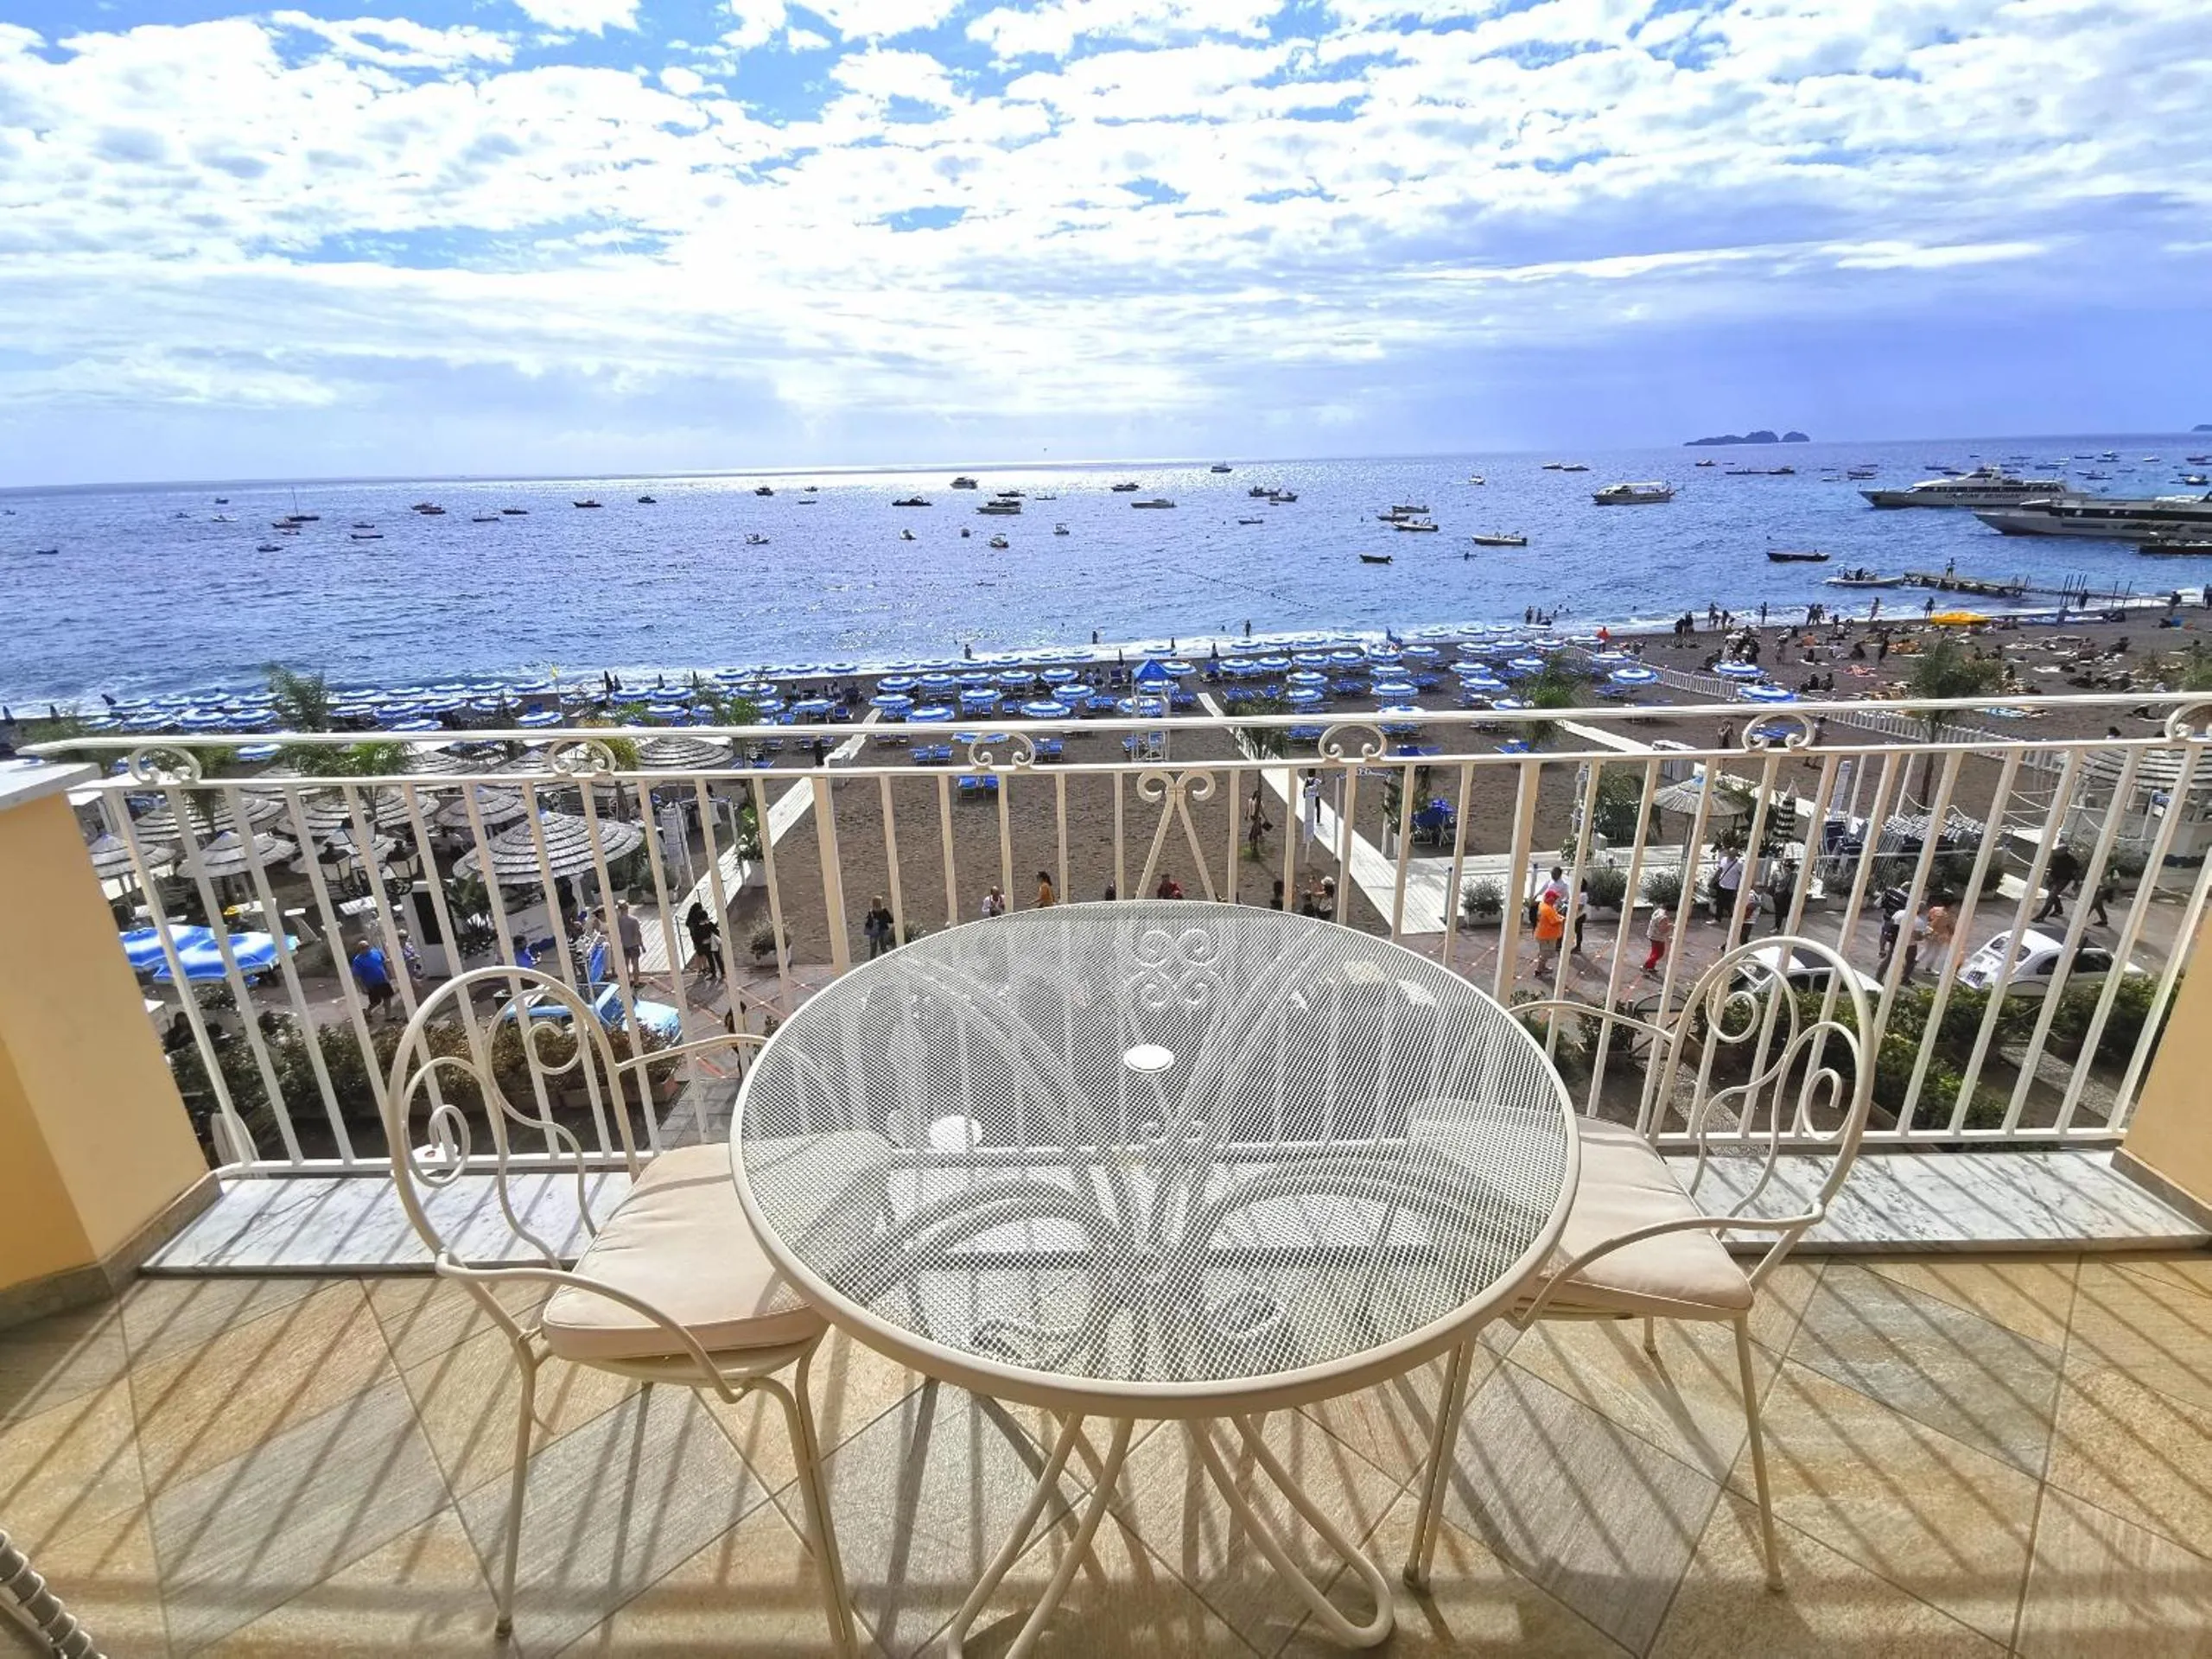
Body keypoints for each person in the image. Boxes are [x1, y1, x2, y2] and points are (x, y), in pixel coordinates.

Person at [350, 938, 396, 1021]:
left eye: (367, 946)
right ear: (359, 949)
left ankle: (388, 1016)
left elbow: (383, 962)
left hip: (383, 980)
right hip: (371, 984)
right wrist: (362, 987)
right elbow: (357, 976)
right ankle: (367, 1011)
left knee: (387, 997)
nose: (365, 949)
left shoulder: (376, 952)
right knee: (376, 1001)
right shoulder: (357, 960)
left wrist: (389, 973)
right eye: (363, 947)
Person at [2036, 845, 2083, 921]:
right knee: (2052, 895)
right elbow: (2052, 866)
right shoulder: (2055, 856)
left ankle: (2041, 916)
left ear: (2064, 852)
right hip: (2052, 877)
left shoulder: (2071, 860)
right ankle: (2059, 909)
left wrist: (2076, 883)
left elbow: (2076, 872)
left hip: (2063, 879)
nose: (2057, 852)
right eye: (2057, 850)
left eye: (2059, 851)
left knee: (2051, 897)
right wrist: (2049, 875)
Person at [684, 900, 723, 981]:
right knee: (717, 958)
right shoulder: (710, 924)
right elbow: (717, 931)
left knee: (709, 958)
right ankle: (722, 972)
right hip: (713, 943)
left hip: (704, 945)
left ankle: (711, 972)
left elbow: (697, 937)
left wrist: (701, 942)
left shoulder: (696, 927)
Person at [1531, 890, 1566, 976]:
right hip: (1547, 936)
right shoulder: (1547, 909)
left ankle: (1542, 967)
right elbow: (1555, 922)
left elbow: (1555, 915)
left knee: (1544, 952)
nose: (1555, 900)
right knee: (1547, 953)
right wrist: (1562, 919)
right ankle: (1539, 970)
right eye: (1554, 898)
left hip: (1544, 934)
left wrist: (1559, 916)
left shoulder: (1544, 905)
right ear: (1549, 898)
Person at [1642, 905, 1674, 977]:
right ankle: (1645, 966)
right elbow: (1662, 930)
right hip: (1657, 937)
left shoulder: (1658, 911)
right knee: (1659, 954)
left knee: (1654, 952)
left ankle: (1651, 966)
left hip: (1652, 935)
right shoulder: (1663, 917)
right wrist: (1670, 926)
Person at [1713, 850, 1744, 923]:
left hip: (1731, 887)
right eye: (1730, 854)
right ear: (1728, 854)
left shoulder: (1739, 864)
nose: (1732, 856)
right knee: (1719, 902)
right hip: (1721, 884)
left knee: (1728, 904)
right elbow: (1720, 870)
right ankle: (1717, 919)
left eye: (1734, 855)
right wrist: (1714, 879)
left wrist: (1739, 886)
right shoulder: (1723, 860)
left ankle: (1733, 917)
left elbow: (1741, 875)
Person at [615, 901, 644, 976]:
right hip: (633, 944)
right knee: (635, 965)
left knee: (625, 966)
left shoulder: (617, 921)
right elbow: (637, 933)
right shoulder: (633, 920)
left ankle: (627, 982)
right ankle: (636, 982)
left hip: (623, 945)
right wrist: (642, 945)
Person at [862, 894, 895, 959]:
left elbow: (868, 924)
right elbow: (891, 920)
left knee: (873, 950)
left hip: (874, 932)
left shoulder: (871, 912)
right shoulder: (884, 910)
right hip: (883, 930)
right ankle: (888, 962)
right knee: (884, 948)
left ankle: (872, 964)